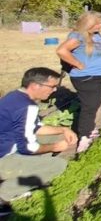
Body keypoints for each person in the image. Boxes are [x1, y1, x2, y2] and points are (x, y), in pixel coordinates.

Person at [0, 68, 76, 203]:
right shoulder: (26, 107)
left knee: (56, 136)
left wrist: (63, 130)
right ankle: (5, 195)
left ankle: (29, 171)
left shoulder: (15, 96)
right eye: (52, 87)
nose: (54, 91)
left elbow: (35, 128)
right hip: (3, 156)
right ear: (35, 85)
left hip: (7, 145)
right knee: (58, 165)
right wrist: (54, 147)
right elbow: (28, 148)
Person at [57, 11, 101, 153]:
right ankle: (84, 136)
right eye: (97, 23)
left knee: (94, 103)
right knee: (89, 106)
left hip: (100, 77)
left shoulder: (95, 35)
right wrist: (78, 64)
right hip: (87, 78)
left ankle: (89, 127)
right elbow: (61, 51)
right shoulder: (77, 36)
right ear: (87, 24)